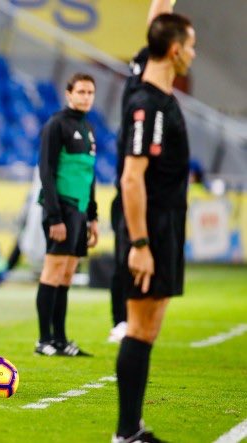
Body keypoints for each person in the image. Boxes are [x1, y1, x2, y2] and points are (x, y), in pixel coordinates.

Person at [112, 6, 196, 442]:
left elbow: (158, 19)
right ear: (176, 50)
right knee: (141, 328)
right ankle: (126, 433)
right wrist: (140, 242)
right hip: (151, 229)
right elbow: (131, 177)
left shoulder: (158, 94)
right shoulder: (148, 104)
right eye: (192, 46)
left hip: (164, 226)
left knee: (149, 327)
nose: (194, 55)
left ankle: (133, 429)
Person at [34, 73, 99, 357]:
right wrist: (55, 216)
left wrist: (92, 215)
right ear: (69, 94)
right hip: (61, 208)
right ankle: (44, 340)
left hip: (80, 210)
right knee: (53, 271)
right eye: (81, 92)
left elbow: (89, 174)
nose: (86, 97)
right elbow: (46, 172)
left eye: (90, 92)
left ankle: (61, 340)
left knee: (67, 274)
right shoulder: (56, 125)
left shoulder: (87, 128)